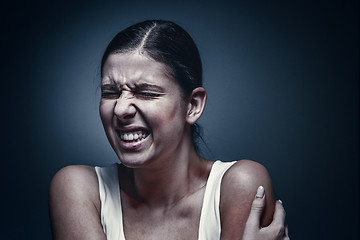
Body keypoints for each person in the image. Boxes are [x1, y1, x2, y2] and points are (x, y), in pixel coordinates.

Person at [49, 20, 289, 240]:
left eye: (146, 93)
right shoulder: (78, 188)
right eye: (110, 93)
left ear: (192, 106)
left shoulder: (240, 183)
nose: (120, 109)